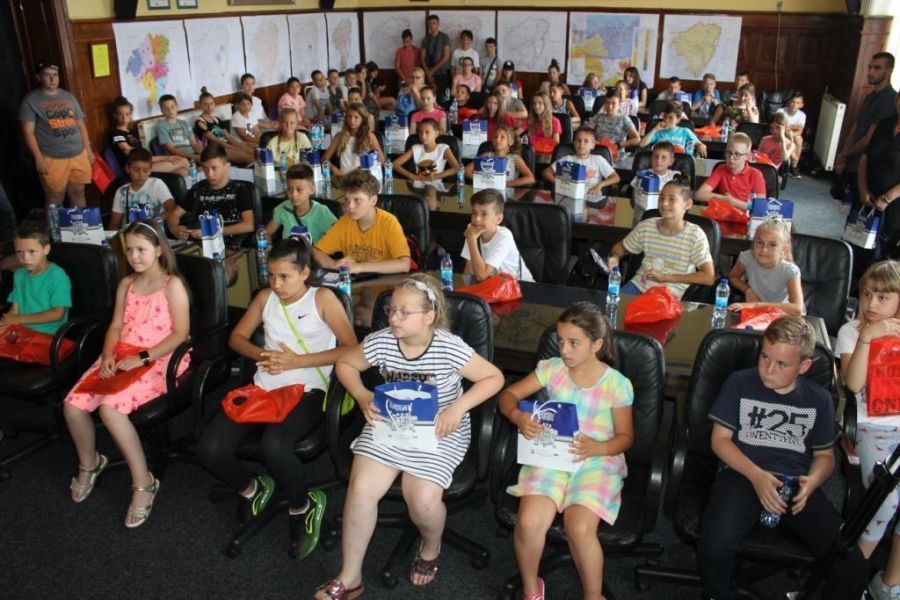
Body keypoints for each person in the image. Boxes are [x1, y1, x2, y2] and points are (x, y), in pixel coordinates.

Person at [314, 274, 504, 599]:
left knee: (422, 501)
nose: (394, 318)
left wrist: (458, 407)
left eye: (405, 312)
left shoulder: (448, 347)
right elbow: (346, 363)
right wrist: (361, 394)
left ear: (429, 317)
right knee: (361, 490)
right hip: (390, 420)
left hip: (439, 427)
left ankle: (431, 546)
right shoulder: (382, 340)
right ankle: (350, 577)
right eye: (391, 310)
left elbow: (493, 377)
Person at [197, 235, 355, 558]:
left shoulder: (322, 298)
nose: (276, 284)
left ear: (304, 273)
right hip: (264, 387)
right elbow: (236, 338)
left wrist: (297, 361)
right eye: (271, 275)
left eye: (284, 276)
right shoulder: (265, 298)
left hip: (308, 389)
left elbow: (352, 348)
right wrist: (262, 354)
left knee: (275, 444)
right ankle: (251, 488)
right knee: (210, 447)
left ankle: (303, 506)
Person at [698, 315, 869, 600]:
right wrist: (757, 476)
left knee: (851, 564)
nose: (768, 369)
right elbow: (720, 441)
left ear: (803, 367)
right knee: (715, 546)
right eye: (764, 357)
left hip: (795, 484)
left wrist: (813, 481)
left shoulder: (818, 399)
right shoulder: (740, 383)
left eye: (781, 364)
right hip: (743, 474)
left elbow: (825, 455)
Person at [500, 301, 633, 600]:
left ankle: (593, 595)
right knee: (529, 523)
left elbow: (626, 438)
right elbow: (508, 395)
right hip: (552, 454)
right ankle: (532, 590)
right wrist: (517, 416)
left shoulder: (616, 384)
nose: (564, 349)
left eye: (574, 343)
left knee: (580, 528)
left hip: (597, 458)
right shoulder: (551, 369)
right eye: (560, 341)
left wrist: (598, 447)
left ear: (597, 345)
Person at [63, 220, 190, 528]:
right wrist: (108, 353)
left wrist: (142, 357)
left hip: (159, 357)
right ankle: (90, 463)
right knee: (73, 406)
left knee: (110, 410)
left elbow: (180, 334)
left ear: (158, 250)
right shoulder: (126, 284)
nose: (134, 256)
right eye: (129, 250)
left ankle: (144, 482)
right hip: (122, 354)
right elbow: (116, 326)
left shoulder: (171, 285)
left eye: (141, 249)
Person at [835, 260, 900, 600]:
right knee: (885, 500)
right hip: (872, 427)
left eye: (883, 297)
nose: (872, 304)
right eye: (866, 294)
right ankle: (848, 576)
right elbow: (853, 383)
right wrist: (868, 338)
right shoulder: (852, 331)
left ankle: (888, 583)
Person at [608, 177, 715, 299]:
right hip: (637, 287)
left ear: (687, 204)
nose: (664, 203)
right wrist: (615, 257)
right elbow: (621, 247)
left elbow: (708, 277)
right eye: (661, 198)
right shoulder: (647, 226)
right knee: (610, 306)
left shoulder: (695, 235)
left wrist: (665, 277)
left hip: (668, 295)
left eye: (672, 199)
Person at [20, 59, 95, 209]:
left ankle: (80, 224)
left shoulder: (69, 97)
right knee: (55, 197)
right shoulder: (31, 101)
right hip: (52, 157)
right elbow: (28, 132)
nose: (52, 79)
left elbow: (81, 125)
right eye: (47, 75)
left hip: (78, 154)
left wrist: (88, 150)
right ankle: (54, 226)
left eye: (55, 75)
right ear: (38, 77)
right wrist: (38, 158)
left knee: (78, 193)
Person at [312, 169, 410, 276]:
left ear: (373, 200)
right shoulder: (345, 222)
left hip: (385, 279)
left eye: (357, 200)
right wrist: (334, 265)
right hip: (355, 280)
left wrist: (360, 267)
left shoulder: (389, 223)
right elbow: (316, 252)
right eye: (347, 200)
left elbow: (404, 264)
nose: (350, 206)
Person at [0, 222, 71, 345]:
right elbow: (14, 311)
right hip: (21, 331)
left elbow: (57, 314)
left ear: (46, 249)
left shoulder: (57, 276)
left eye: (31, 251)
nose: (25, 258)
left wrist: (18, 319)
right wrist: (5, 323)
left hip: (47, 336)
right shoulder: (19, 274)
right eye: (19, 252)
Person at [166, 143, 254, 241]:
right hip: (198, 242)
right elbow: (174, 214)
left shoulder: (239, 190)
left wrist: (211, 231)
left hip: (227, 242)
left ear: (227, 167)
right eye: (205, 168)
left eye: (214, 168)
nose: (210, 174)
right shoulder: (198, 188)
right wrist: (174, 228)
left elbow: (248, 225)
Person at [727, 217, 805, 316]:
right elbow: (733, 276)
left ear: (783, 249)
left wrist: (756, 305)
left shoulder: (790, 270)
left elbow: (797, 308)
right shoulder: (747, 257)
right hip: (757, 313)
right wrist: (748, 290)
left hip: (783, 316)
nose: (764, 249)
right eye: (760, 242)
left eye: (772, 245)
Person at [461, 189, 534, 282]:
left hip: (520, 285)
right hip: (494, 285)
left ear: (498, 219)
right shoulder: (472, 230)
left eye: (484, 214)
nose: (477, 219)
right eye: (474, 213)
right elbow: (469, 269)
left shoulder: (504, 237)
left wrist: (471, 239)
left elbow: (481, 275)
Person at [108, 96, 188, 176]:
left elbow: (143, 154)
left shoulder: (133, 132)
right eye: (120, 115)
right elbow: (135, 155)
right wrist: (166, 158)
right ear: (115, 115)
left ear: (131, 114)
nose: (124, 118)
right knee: (183, 161)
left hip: (144, 163)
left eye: (127, 114)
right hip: (134, 169)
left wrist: (166, 158)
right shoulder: (115, 133)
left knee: (182, 171)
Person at [265, 164, 336, 243]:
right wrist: (268, 245)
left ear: (312, 189)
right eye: (290, 189)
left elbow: (338, 237)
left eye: (299, 190)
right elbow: (266, 234)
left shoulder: (321, 212)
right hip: (288, 250)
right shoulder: (284, 208)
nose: (293, 194)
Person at [695, 132, 766, 211]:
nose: (731, 158)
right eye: (728, 153)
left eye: (737, 154)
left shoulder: (756, 175)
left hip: (745, 215)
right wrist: (724, 198)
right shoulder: (721, 169)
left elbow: (760, 208)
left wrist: (733, 202)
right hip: (723, 213)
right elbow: (699, 195)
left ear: (747, 156)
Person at [108, 148, 174, 231]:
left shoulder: (157, 184)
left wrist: (154, 222)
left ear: (150, 170)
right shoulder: (121, 191)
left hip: (153, 233)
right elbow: (114, 224)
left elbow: (171, 208)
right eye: (136, 170)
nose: (141, 174)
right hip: (129, 234)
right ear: (127, 168)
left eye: (145, 170)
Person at [543, 127, 621, 195]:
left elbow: (616, 178)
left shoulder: (598, 160)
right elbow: (546, 173)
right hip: (569, 196)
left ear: (592, 145)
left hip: (592, 197)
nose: (581, 144)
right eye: (578, 141)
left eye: (586, 141)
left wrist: (600, 185)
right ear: (574, 143)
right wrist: (560, 183)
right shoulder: (567, 159)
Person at [194, 89, 255, 167]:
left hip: (226, 146)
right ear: (200, 105)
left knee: (253, 152)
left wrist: (239, 145)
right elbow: (216, 140)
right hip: (215, 150)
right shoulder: (200, 122)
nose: (209, 107)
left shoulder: (217, 119)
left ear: (214, 104)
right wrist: (233, 147)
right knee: (250, 157)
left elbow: (228, 137)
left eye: (211, 103)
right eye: (206, 104)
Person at [464, 125, 535, 188]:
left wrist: (504, 184)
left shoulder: (515, 158)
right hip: (488, 192)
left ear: (510, 142)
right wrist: (481, 180)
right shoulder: (487, 155)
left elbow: (530, 178)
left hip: (508, 194)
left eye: (502, 137)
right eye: (495, 137)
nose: (498, 139)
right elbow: (466, 170)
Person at [323, 103, 383, 178]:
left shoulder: (369, 136)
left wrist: (367, 166)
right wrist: (333, 168)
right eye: (349, 116)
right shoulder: (339, 136)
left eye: (356, 117)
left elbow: (381, 160)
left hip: (363, 178)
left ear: (362, 119)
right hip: (344, 178)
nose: (352, 120)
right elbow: (324, 159)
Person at [393, 119, 458, 183]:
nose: (423, 136)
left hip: (436, 186)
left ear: (436, 133)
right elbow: (394, 164)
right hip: (417, 185)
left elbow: (456, 168)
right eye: (420, 132)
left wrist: (433, 177)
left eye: (427, 132)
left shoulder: (443, 148)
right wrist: (412, 176)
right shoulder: (415, 148)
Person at [631, 142, 680, 221]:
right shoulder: (642, 175)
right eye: (655, 156)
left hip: (667, 214)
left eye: (663, 157)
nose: (658, 161)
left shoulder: (676, 177)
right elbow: (635, 194)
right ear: (651, 158)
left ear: (671, 161)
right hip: (643, 214)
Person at [640, 101, 707, 157]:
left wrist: (701, 146)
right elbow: (641, 144)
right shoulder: (659, 132)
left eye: (671, 118)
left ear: (678, 119)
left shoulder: (685, 132)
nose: (666, 120)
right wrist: (655, 129)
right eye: (665, 116)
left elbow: (701, 145)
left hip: (680, 162)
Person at [156, 94, 202, 162]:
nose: (170, 110)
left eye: (172, 107)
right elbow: (171, 149)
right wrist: (194, 157)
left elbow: (194, 144)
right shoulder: (161, 126)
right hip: (180, 158)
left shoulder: (184, 123)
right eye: (166, 108)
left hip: (194, 155)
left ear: (177, 107)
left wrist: (203, 155)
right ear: (161, 110)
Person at [775, 92, 807, 178]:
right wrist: (792, 127)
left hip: (791, 134)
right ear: (789, 102)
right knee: (789, 137)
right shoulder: (781, 111)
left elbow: (799, 132)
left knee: (799, 140)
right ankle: (789, 162)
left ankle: (794, 166)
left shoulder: (802, 115)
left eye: (797, 103)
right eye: (793, 102)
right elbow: (777, 126)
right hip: (780, 133)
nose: (794, 105)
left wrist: (791, 133)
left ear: (801, 105)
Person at [421, 15, 452, 94]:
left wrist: (432, 71)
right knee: (428, 95)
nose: (431, 25)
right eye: (430, 23)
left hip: (442, 73)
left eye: (434, 23)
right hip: (428, 73)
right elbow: (422, 58)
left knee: (441, 96)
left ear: (438, 24)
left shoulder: (445, 37)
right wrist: (428, 72)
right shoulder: (425, 39)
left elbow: (446, 57)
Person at [527, 92, 561, 161]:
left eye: (540, 103)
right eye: (534, 103)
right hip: (533, 154)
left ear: (546, 105)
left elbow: (556, 144)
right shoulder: (530, 120)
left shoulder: (555, 121)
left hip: (548, 155)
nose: (536, 106)